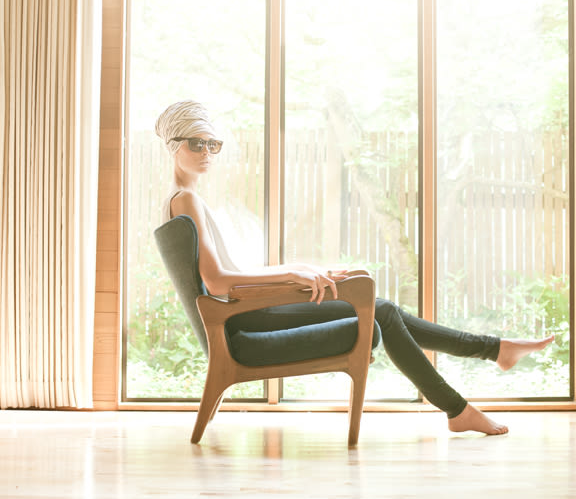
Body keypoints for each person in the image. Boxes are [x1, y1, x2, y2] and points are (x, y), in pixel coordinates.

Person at [155, 99, 555, 437]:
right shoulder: (186, 201)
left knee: (379, 306)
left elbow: (223, 277)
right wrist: (293, 271)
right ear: (173, 145)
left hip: (248, 313)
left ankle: (485, 364)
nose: (207, 151)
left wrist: (305, 269)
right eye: (197, 143)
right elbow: (218, 280)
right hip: (244, 322)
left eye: (213, 143)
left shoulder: (187, 199)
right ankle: (466, 392)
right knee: (378, 310)